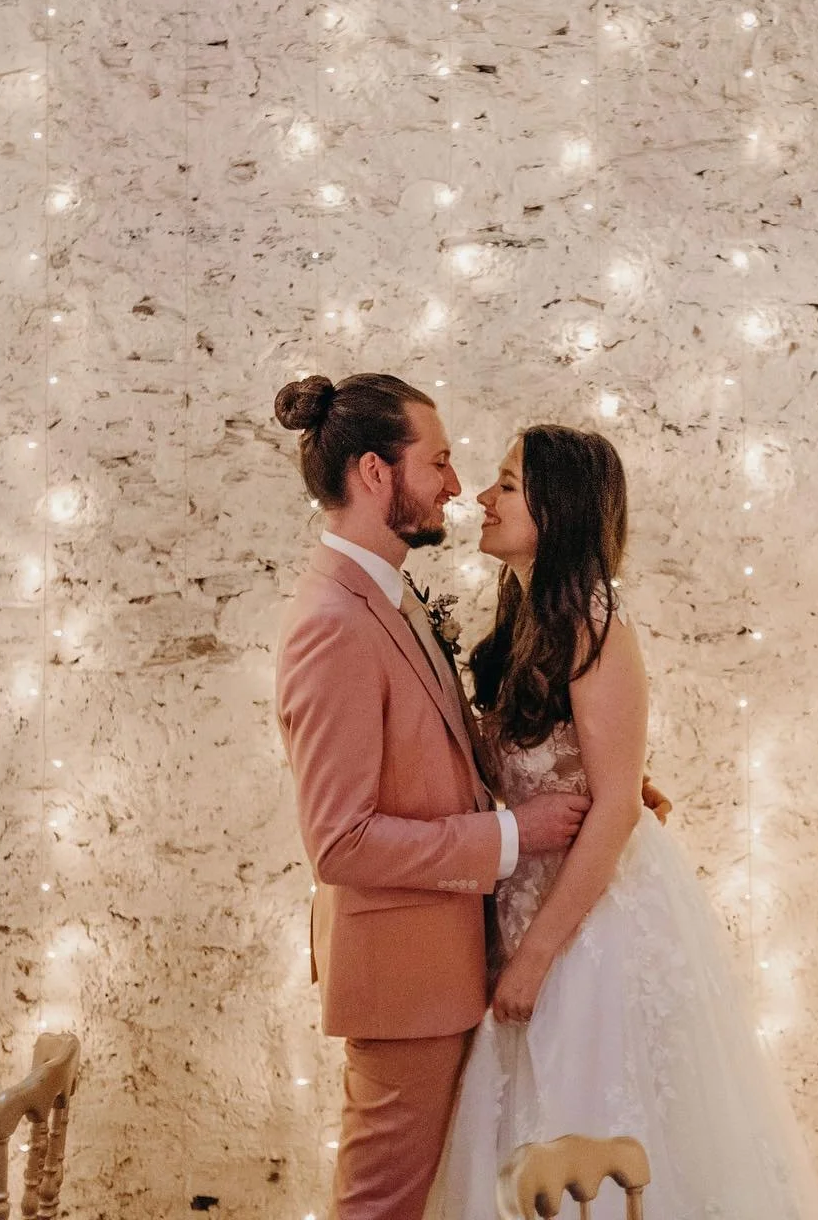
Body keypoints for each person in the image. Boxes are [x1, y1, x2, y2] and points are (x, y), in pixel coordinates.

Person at [427, 425, 818, 1220]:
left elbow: (613, 806)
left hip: (595, 929)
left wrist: (537, 957)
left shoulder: (596, 627)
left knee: (601, 1119)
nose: (482, 497)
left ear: (559, 507)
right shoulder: (524, 624)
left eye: (506, 485)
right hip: (529, 902)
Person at [273, 375, 592, 1220]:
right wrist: (512, 837)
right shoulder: (332, 622)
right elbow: (341, 843)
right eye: (440, 461)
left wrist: (573, 772)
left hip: (444, 969)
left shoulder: (392, 594)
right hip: (401, 982)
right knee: (382, 1208)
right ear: (376, 472)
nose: (456, 486)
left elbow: (435, 755)